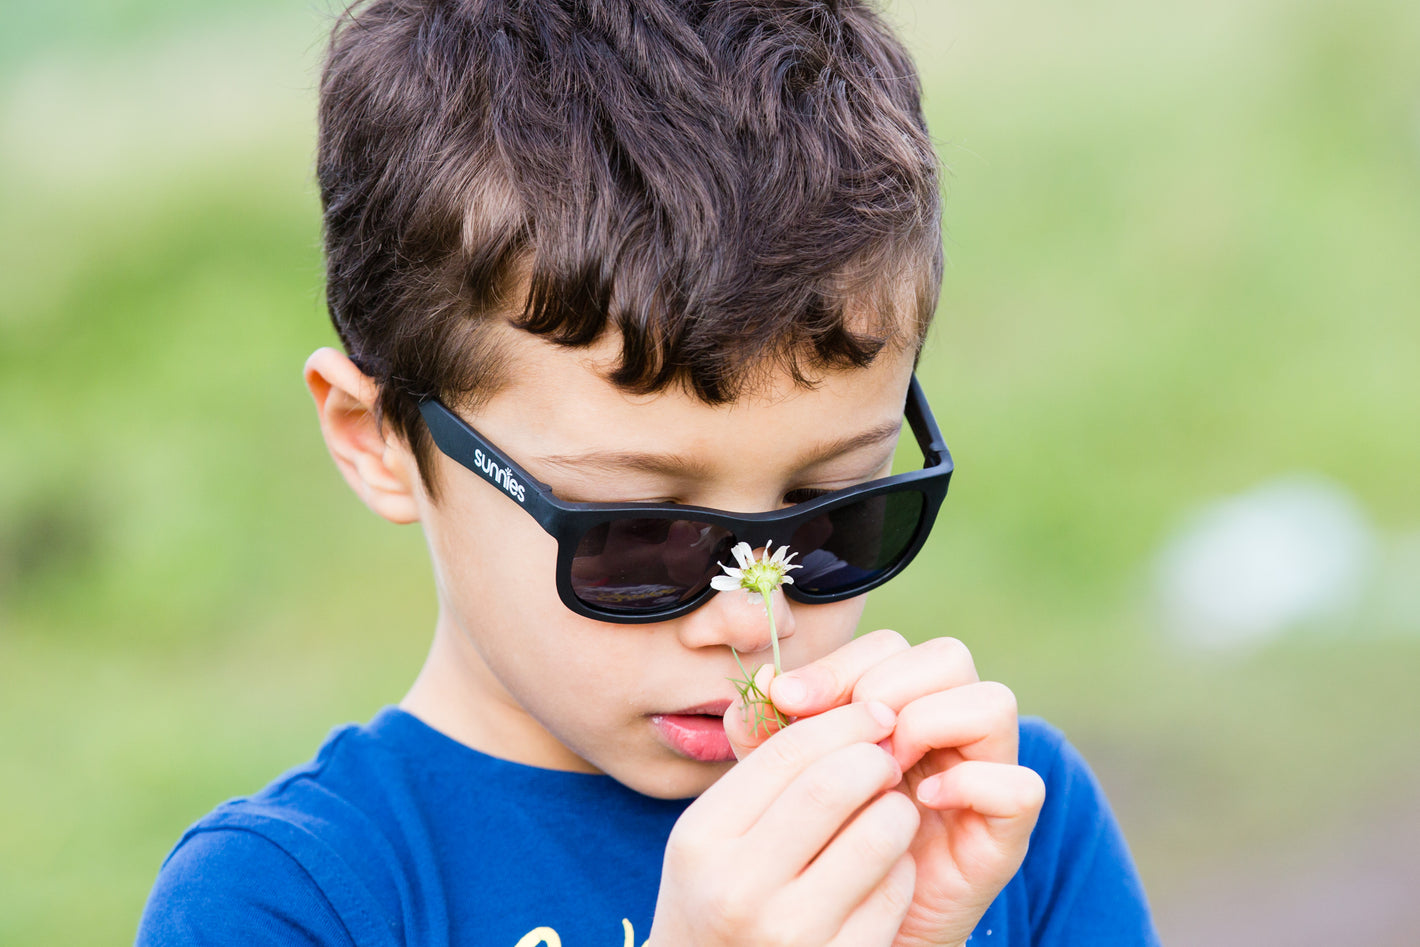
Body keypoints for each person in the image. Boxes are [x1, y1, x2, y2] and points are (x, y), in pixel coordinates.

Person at [137, 1, 1160, 944]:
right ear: (380, 439)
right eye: (637, 533)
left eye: (828, 515)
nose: (746, 616)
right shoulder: (296, 898)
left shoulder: (1001, 822)